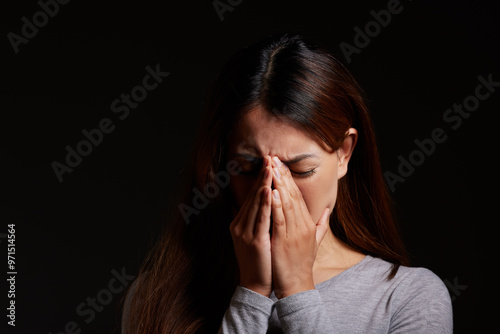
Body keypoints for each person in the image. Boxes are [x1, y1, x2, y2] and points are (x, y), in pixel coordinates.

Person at [121, 33, 453, 333]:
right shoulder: (157, 296)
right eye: (249, 168)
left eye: (300, 169)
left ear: (344, 153)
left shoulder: (409, 297)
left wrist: (297, 289)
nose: (275, 190)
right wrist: (251, 292)